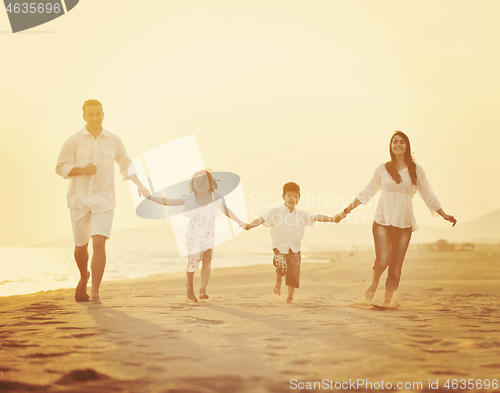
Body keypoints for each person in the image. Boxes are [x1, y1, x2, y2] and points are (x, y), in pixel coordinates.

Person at [334, 131, 457, 307]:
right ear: (390, 146)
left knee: (395, 268)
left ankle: (386, 301)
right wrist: (345, 211)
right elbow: (367, 191)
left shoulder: (416, 170)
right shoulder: (383, 169)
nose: (398, 145)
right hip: (382, 221)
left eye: (401, 142)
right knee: (383, 259)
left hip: (404, 223)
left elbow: (427, 194)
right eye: (394, 142)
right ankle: (375, 282)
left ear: (407, 146)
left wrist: (443, 213)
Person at [56, 99, 150, 304]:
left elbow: (126, 164)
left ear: (103, 114)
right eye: (91, 115)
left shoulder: (114, 141)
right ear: (84, 117)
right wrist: (82, 170)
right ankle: (84, 277)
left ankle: (96, 291)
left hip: (104, 201)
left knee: (99, 243)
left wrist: (140, 185)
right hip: (78, 201)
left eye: (98, 114)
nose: (95, 118)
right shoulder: (73, 141)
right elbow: (60, 166)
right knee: (81, 248)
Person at [147, 170, 246, 302]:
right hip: (193, 235)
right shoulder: (189, 199)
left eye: (203, 180)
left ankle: (203, 289)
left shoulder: (215, 197)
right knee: (193, 262)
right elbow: (169, 202)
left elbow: (226, 210)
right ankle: (190, 286)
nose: (200, 183)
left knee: (207, 259)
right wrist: (149, 197)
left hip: (209, 234)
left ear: (210, 183)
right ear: (193, 184)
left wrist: (240, 222)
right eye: (197, 181)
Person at [245, 182, 336, 303]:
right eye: (289, 196)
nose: (292, 198)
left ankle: (290, 296)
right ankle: (278, 281)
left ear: (299, 198)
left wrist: (333, 219)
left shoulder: (301, 215)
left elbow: (316, 217)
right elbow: (262, 218)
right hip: (279, 247)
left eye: (295, 196)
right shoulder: (275, 212)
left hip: (295, 248)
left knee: (293, 272)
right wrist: (250, 225)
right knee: (281, 265)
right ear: (283, 197)